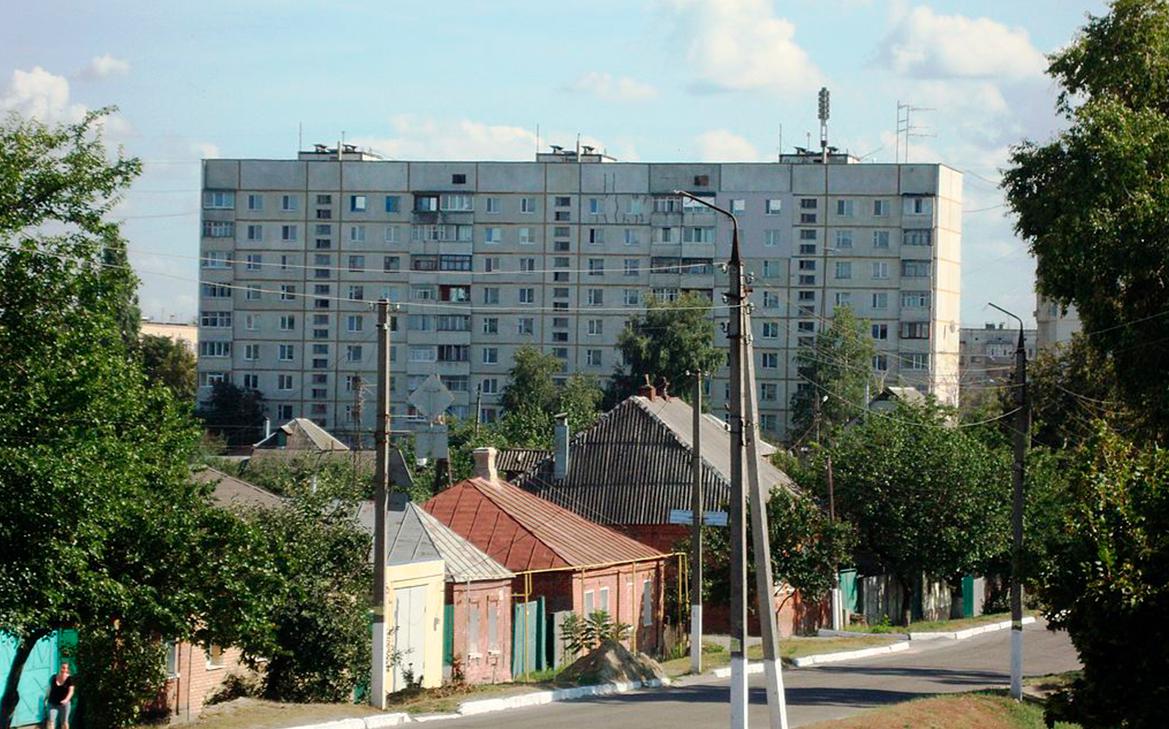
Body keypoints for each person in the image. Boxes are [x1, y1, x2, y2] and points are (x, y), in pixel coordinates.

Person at [45, 662, 73, 729]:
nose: (63, 670)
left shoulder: (70, 679)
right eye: (62, 667)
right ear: (59, 668)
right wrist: (46, 698)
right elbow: (49, 689)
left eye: (65, 668)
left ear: (68, 670)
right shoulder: (53, 677)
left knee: (64, 722)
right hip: (52, 702)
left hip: (64, 704)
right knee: (51, 721)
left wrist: (66, 700)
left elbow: (71, 691)